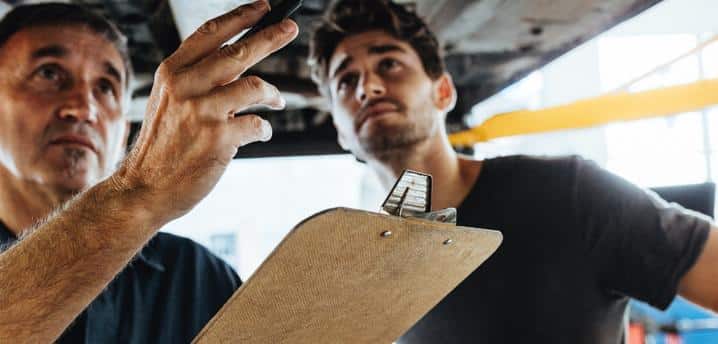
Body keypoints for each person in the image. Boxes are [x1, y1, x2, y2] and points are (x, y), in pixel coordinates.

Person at [308, 0, 718, 342]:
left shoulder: (568, 193)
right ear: (340, 133)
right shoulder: (368, 270)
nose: (369, 87)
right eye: (346, 81)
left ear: (443, 91)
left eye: (390, 64)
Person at [0, 1, 298, 342]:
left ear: (125, 131)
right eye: (49, 74)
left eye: (106, 88)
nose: (83, 108)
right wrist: (139, 192)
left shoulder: (197, 278)